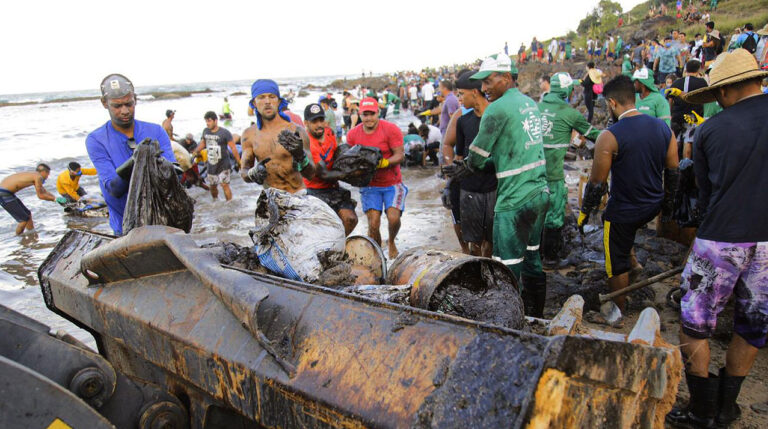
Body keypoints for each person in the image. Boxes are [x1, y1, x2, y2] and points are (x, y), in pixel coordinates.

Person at [665, 49, 768, 429]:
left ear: (724, 91)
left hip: (721, 240)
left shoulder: (710, 130)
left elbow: (705, 197)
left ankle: (702, 408)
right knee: (753, 325)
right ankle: (728, 408)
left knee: (694, 325)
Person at [577, 75, 678, 318]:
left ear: (612, 103)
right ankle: (635, 265)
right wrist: (667, 207)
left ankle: (617, 311)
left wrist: (584, 214)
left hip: (624, 211)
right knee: (624, 236)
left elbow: (597, 184)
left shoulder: (609, 136)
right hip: (652, 204)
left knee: (615, 261)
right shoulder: (663, 128)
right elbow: (673, 172)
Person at [460, 53, 550, 317]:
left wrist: (468, 165)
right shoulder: (528, 103)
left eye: (488, 82)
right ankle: (536, 316)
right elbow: (517, 147)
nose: (484, 89)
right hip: (540, 193)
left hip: (514, 200)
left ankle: (510, 320)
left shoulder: (496, 110)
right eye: (482, 84)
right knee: (532, 258)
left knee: (507, 266)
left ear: (507, 78)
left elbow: (476, 157)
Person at [85, 74, 175, 236]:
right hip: (124, 228)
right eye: (117, 106)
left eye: (129, 104)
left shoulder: (156, 131)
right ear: (105, 103)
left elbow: (173, 175)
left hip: (163, 222)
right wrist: (137, 160)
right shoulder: (96, 140)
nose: (125, 111)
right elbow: (114, 187)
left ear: (135, 100)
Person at [538, 73, 601, 265]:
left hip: (530, 175)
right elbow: (596, 135)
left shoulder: (535, 108)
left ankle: (535, 255)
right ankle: (550, 258)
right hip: (553, 175)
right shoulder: (569, 113)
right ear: (567, 90)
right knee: (554, 216)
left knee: (535, 216)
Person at [346, 97, 406, 259]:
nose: (369, 118)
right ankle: (378, 254)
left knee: (393, 218)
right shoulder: (353, 134)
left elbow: (400, 155)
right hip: (369, 185)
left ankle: (392, 241)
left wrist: (383, 163)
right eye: (365, 114)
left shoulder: (391, 129)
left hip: (392, 182)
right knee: (373, 223)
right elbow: (349, 160)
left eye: (372, 114)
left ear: (378, 113)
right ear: (360, 115)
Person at [240, 79, 315, 193]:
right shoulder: (249, 135)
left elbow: (311, 175)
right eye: (261, 97)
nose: (267, 101)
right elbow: (244, 172)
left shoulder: (296, 131)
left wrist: (300, 156)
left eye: (272, 96)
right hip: (271, 199)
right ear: (254, 103)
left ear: (279, 101)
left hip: (297, 197)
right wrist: (253, 173)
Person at [453, 70, 496, 257]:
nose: (459, 98)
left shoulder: (496, 118)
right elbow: (459, 156)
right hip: (469, 191)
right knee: (474, 244)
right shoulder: (463, 121)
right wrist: (452, 185)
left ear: (475, 92)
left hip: (495, 188)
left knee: (492, 242)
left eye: (461, 94)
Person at [300, 103, 358, 235]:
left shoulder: (329, 132)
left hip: (333, 187)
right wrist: (351, 175)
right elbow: (323, 174)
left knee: (350, 219)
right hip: (314, 190)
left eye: (321, 120)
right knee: (322, 230)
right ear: (306, 123)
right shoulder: (308, 143)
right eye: (314, 121)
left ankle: (338, 246)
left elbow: (338, 153)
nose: (319, 124)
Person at [1, 164, 65, 235]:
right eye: (48, 174)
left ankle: (31, 233)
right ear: (44, 172)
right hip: (3, 193)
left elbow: (43, 191)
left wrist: (57, 198)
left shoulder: (34, 175)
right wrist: (55, 199)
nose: (47, 177)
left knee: (28, 215)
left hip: (7, 193)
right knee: (23, 220)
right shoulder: (38, 177)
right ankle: (18, 238)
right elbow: (40, 196)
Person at [191, 112, 240, 201]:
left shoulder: (224, 133)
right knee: (213, 186)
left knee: (225, 185)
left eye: (209, 121)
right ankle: (216, 202)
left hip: (223, 164)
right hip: (211, 164)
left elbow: (233, 148)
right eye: (206, 121)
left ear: (215, 121)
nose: (207, 123)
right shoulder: (206, 131)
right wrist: (195, 152)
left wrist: (239, 162)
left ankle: (230, 204)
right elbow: (203, 142)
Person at [665, 59, 708, 159]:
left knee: (676, 140)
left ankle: (674, 164)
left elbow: (670, 100)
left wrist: (671, 113)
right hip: (693, 115)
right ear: (698, 69)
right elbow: (705, 99)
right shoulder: (702, 83)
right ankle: (686, 165)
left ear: (686, 69)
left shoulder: (676, 82)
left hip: (677, 115)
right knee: (688, 140)